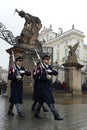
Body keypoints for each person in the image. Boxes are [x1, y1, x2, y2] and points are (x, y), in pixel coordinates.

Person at [33, 54, 63, 120]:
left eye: (48, 59)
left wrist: (51, 71)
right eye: (46, 59)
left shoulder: (49, 67)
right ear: (43, 60)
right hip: (42, 87)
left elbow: (56, 73)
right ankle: (56, 115)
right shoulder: (39, 67)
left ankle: (36, 113)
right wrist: (45, 77)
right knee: (50, 100)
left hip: (48, 86)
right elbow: (35, 77)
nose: (48, 60)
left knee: (41, 101)